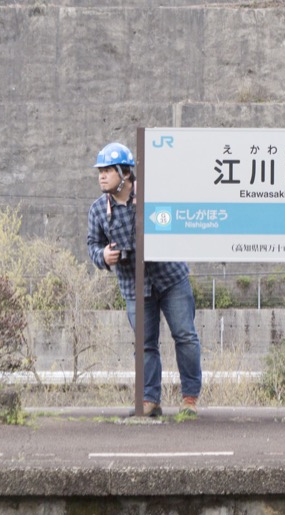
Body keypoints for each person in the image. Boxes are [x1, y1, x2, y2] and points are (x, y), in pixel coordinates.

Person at [86, 141, 202, 418]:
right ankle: (150, 400)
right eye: (99, 171)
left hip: (170, 277)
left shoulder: (153, 197)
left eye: (107, 170)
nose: (101, 176)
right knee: (145, 344)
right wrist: (103, 255)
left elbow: (177, 225)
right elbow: (92, 244)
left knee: (185, 336)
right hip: (133, 286)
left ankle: (189, 399)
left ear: (125, 173)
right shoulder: (98, 210)